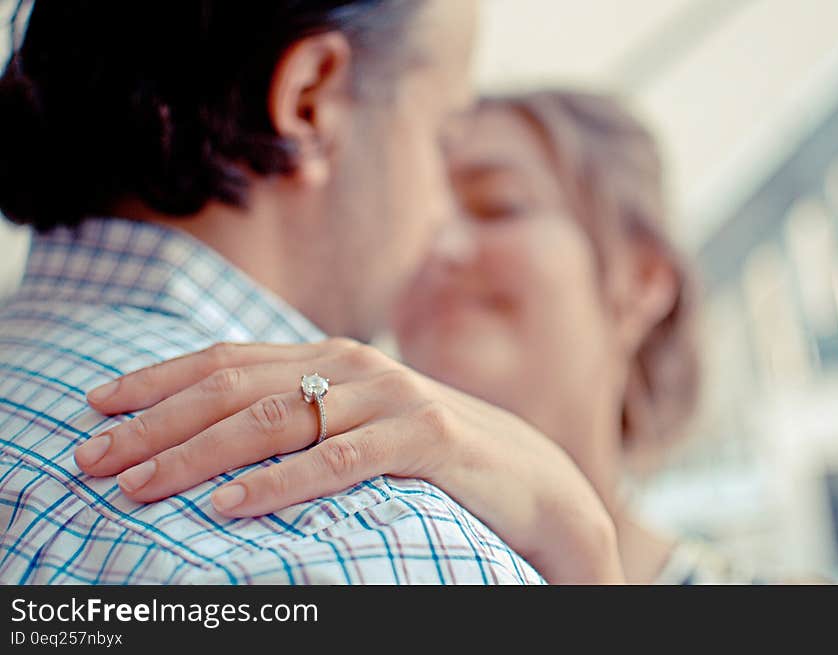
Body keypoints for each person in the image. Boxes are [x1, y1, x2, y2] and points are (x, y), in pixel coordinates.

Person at [0, 1, 623, 584]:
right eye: (442, 138)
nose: (439, 226)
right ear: (308, 103)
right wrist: (584, 554)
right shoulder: (391, 546)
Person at [75, 91, 759, 584]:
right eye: (427, 213)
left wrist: (581, 548)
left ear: (641, 277)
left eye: (498, 205)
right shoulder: (342, 537)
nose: (442, 245)